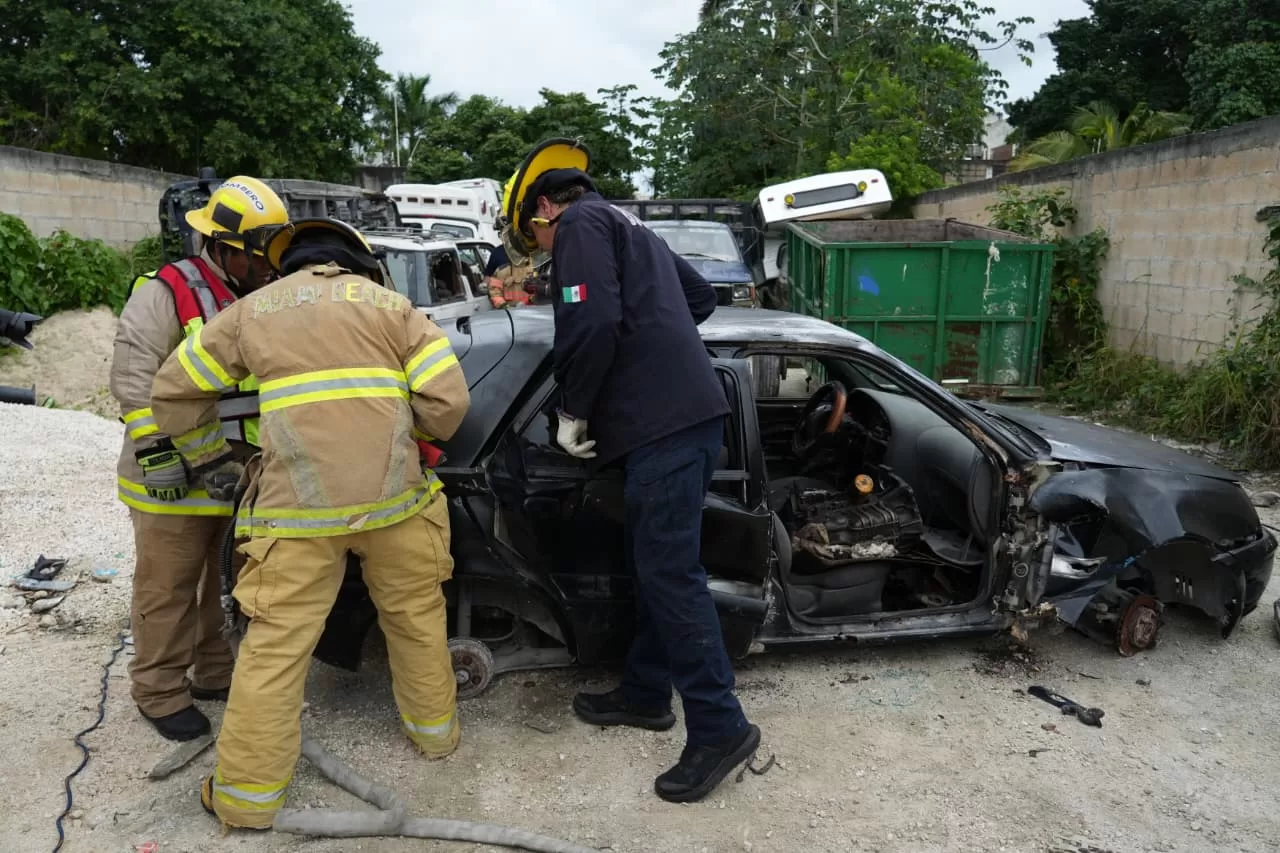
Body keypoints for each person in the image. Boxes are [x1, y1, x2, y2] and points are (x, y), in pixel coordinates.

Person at [148, 217, 470, 830]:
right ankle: (436, 736)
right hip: (395, 506)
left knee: (276, 646)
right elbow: (447, 407)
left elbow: (172, 389)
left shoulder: (251, 312)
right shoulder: (393, 307)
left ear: (283, 264)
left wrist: (208, 456)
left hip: (296, 515)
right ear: (357, 261)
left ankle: (244, 799)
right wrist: (406, 437)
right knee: (416, 619)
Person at [500, 139, 760, 803]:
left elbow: (592, 322)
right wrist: (657, 331)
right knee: (654, 565)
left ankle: (720, 726)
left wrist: (574, 410)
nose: (542, 249)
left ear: (545, 208)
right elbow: (697, 297)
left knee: (672, 574)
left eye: (533, 235)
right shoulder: (624, 222)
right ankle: (646, 694)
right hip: (686, 421)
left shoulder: (581, 224)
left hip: (664, 427)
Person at [109, 176, 290, 742]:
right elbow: (135, 379)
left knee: (225, 581)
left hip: (235, 470)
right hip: (172, 473)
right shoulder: (165, 292)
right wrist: (157, 452)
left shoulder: (260, 294)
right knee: (168, 586)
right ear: (225, 247)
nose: (269, 267)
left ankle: (215, 671)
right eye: (259, 257)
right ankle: (159, 689)